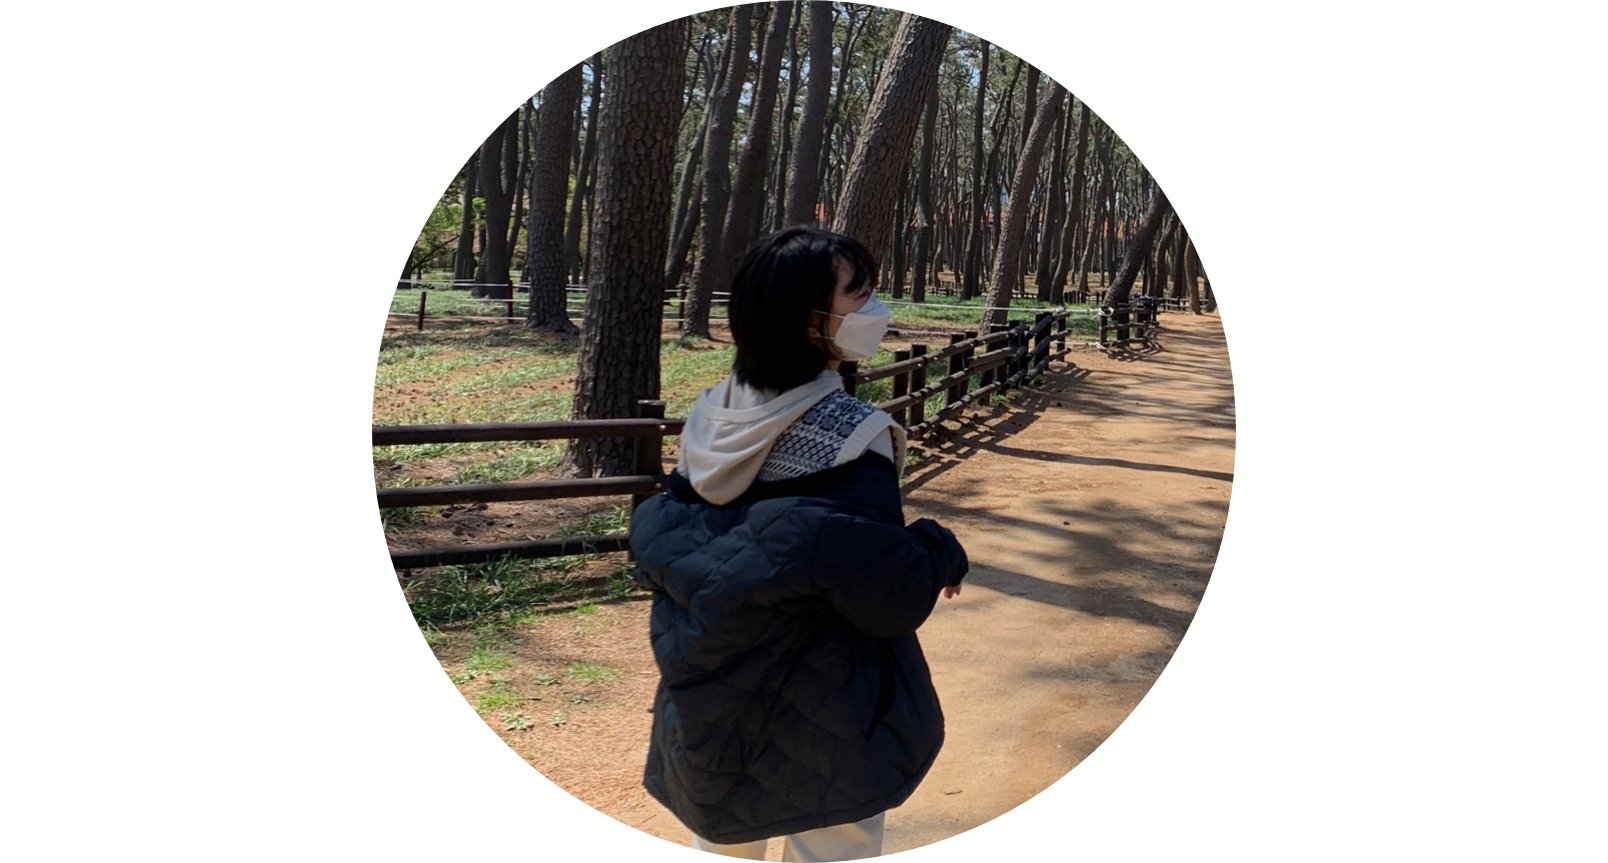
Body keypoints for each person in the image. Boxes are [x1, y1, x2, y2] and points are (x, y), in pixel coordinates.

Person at [628, 227, 970, 861]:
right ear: (812, 322)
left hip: (709, 695)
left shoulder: (710, 418)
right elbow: (887, 594)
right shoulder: (854, 435)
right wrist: (939, 548)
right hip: (825, 712)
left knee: (723, 838)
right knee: (832, 842)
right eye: (859, 296)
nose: (875, 308)